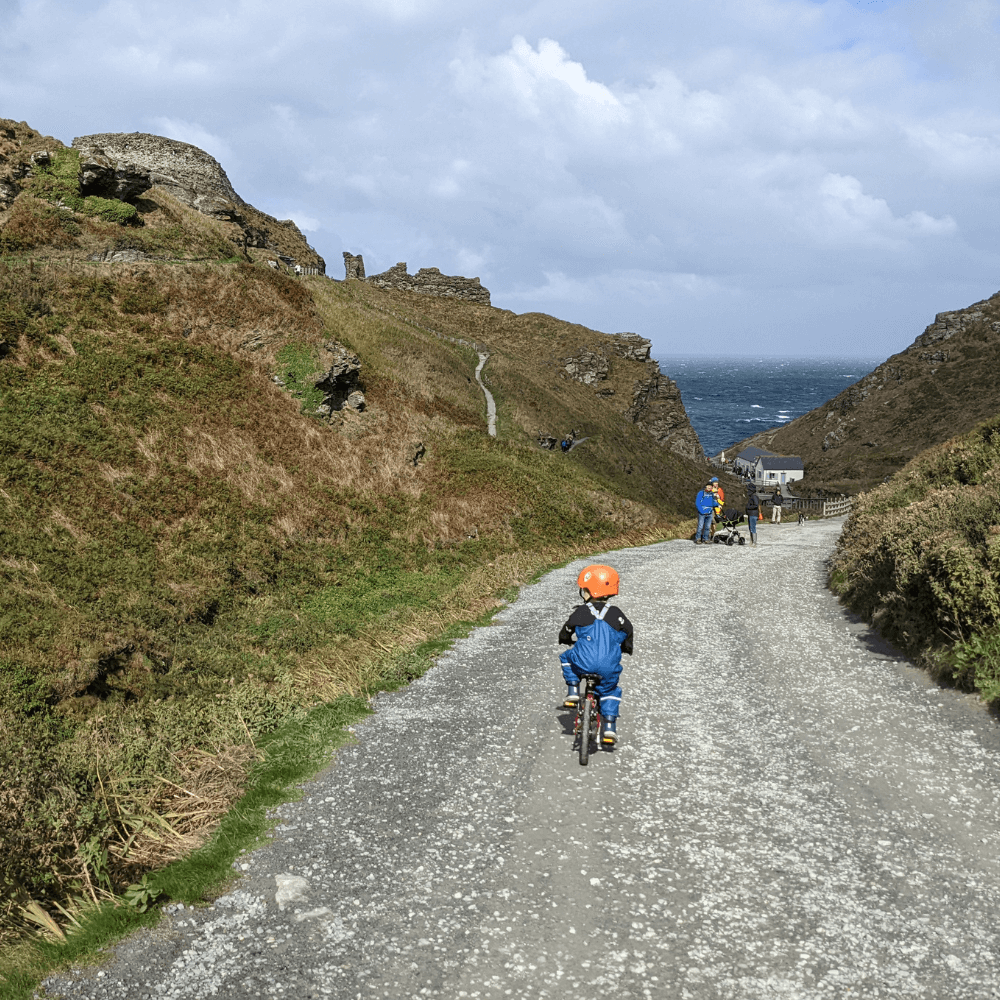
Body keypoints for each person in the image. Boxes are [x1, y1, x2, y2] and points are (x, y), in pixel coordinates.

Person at [559, 564, 633, 745]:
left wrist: (565, 638)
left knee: (566, 657)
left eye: (583, 589)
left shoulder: (581, 612)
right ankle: (609, 728)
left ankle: (574, 691)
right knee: (609, 690)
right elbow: (628, 630)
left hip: (583, 661)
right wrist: (626, 647)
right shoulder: (616, 614)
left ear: (590, 590)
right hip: (608, 666)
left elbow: (568, 628)